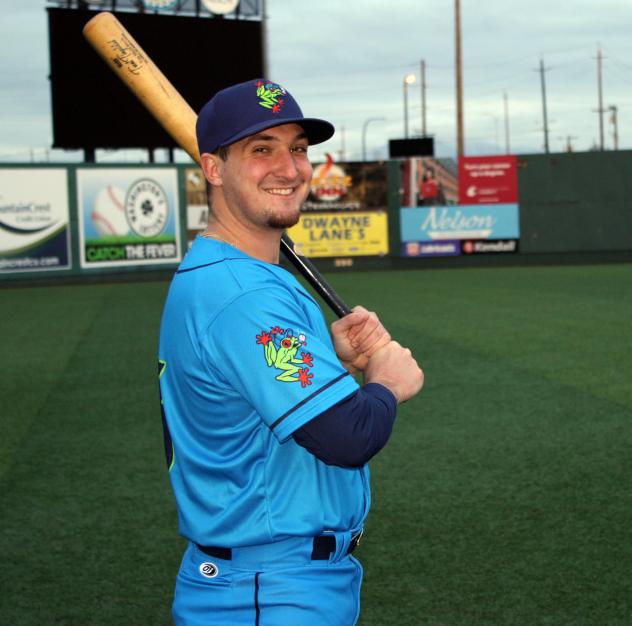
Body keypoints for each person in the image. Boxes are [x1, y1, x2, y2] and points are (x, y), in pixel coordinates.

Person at [158, 78, 424, 626]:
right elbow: (346, 436)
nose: (290, 168)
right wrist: (385, 381)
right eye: (261, 150)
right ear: (213, 168)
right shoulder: (245, 294)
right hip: (269, 592)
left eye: (298, 148)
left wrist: (326, 356)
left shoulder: (229, 275)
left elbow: (240, 392)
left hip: (267, 580)